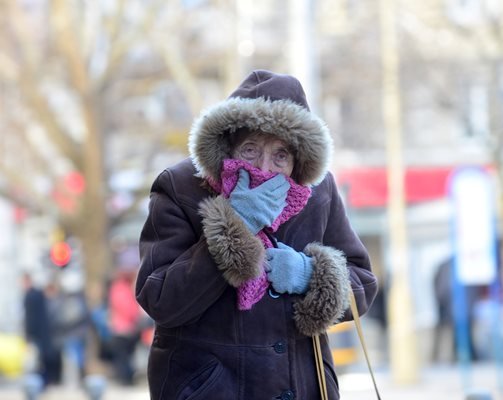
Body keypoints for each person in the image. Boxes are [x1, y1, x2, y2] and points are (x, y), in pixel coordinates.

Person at [136, 70, 378, 399]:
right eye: (251, 149)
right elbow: (161, 299)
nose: (264, 168)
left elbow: (362, 283)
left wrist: (310, 275)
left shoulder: (318, 192)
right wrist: (236, 223)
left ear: (300, 158)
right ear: (228, 145)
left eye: (281, 155)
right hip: (212, 389)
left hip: (300, 386)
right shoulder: (181, 187)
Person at [22, 273, 62, 387]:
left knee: (38, 362)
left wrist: (29, 334)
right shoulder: (38, 296)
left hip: (38, 335)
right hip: (44, 336)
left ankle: (41, 383)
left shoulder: (32, 296)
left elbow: (30, 319)